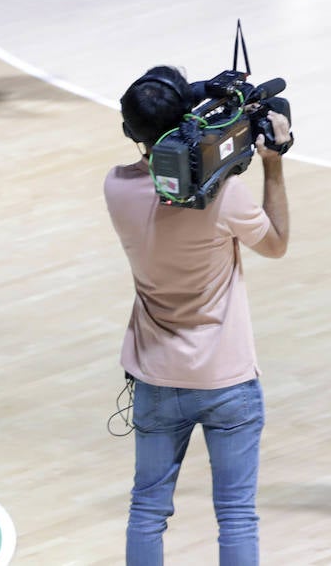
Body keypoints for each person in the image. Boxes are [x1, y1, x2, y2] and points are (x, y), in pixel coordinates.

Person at [107, 66, 291, 565]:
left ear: (131, 133)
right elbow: (276, 244)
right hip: (227, 377)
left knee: (147, 509)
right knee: (235, 514)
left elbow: (176, 168)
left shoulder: (117, 189)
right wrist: (271, 164)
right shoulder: (225, 197)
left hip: (156, 376)